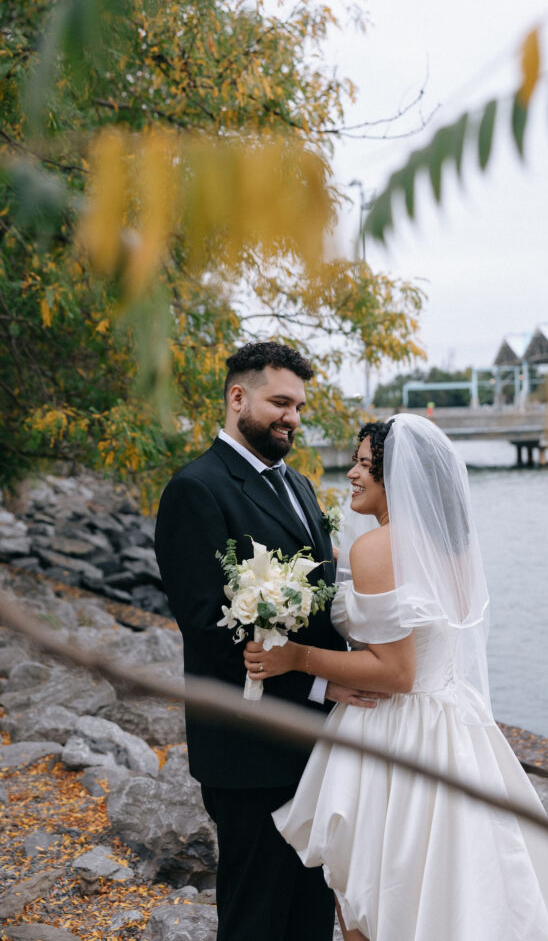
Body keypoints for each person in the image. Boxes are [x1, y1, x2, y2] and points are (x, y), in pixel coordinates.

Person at [245, 414, 548, 941]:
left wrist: (297, 657)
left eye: (365, 465)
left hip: (395, 729)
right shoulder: (450, 549)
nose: (352, 473)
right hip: (455, 724)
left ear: (397, 479)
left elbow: (395, 673)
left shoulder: (379, 549)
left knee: (373, 899)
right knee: (465, 890)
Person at [154, 341, 385, 941]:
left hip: (312, 740)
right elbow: (207, 626)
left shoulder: (301, 486)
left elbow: (317, 602)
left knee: (310, 910)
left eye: (300, 406)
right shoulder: (196, 489)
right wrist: (319, 682)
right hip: (246, 745)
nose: (293, 417)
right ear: (238, 397)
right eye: (280, 402)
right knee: (255, 913)